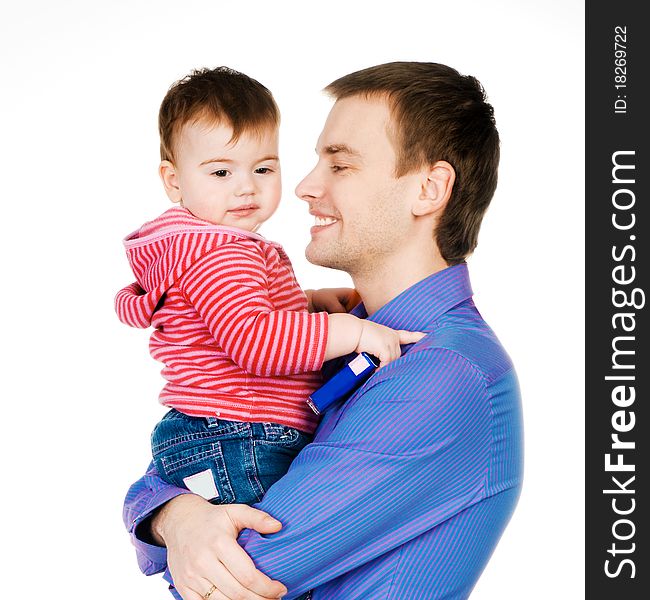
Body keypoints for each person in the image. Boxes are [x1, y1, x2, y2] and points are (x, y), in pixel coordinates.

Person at [123, 61, 524, 600]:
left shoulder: (445, 374)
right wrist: (175, 517)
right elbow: (190, 450)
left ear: (428, 189)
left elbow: (235, 578)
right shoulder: (336, 335)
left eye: (341, 165)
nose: (305, 188)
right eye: (315, 162)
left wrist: (175, 521)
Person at [115, 68, 423, 521]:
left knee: (235, 560)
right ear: (173, 180)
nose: (246, 186)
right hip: (239, 436)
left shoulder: (196, 248)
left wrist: (309, 302)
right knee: (261, 562)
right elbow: (255, 342)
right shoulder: (222, 252)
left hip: (212, 434)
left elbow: (238, 314)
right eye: (221, 171)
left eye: (263, 168)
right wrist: (350, 330)